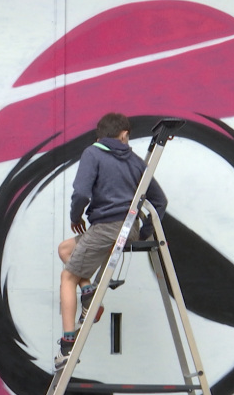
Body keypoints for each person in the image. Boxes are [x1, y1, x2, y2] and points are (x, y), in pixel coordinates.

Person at [55, 112, 168, 368]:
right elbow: (160, 200)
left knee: (66, 277)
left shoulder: (93, 153)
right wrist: (145, 232)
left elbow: (81, 192)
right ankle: (88, 292)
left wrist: (76, 216)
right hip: (128, 228)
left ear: (100, 135)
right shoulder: (136, 161)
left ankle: (67, 344)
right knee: (65, 249)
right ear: (124, 134)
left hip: (106, 227)